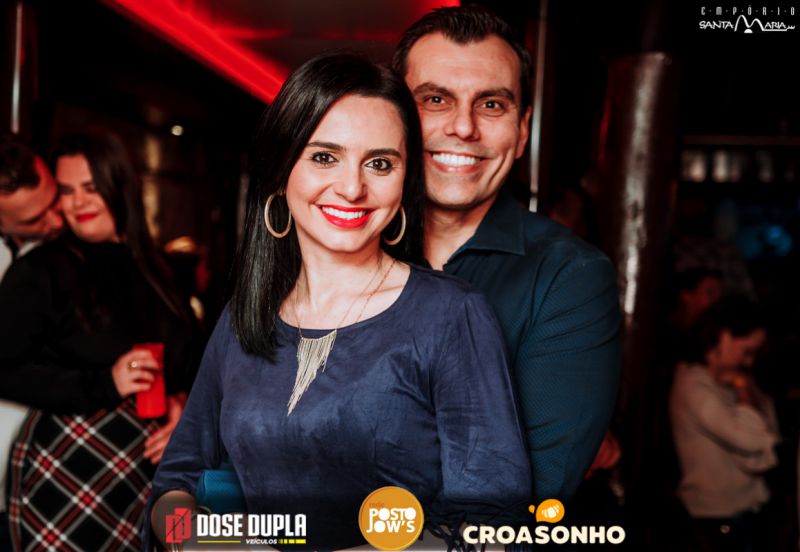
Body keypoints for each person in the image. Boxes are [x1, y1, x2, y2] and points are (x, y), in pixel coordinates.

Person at [148, 53, 531, 551]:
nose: (353, 188)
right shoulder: (246, 315)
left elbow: (491, 526)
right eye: (324, 157)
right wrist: (207, 543)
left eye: (380, 163)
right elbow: (176, 480)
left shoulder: (450, 314)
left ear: (405, 181)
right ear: (281, 168)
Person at [393, 5, 621, 503]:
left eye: (492, 105)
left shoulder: (570, 276)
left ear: (521, 131)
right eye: (435, 100)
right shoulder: (343, 249)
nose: (464, 127)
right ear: (392, 116)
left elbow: (525, 496)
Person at [0, 131, 199, 551]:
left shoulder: (160, 271)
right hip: (67, 468)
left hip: (148, 472)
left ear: (119, 184)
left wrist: (181, 404)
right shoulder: (41, 269)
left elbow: (194, 364)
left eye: (91, 187)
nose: (77, 203)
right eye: (66, 190)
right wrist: (104, 382)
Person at [670, 296, 779, 552]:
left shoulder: (727, 377)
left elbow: (770, 429)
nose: (749, 362)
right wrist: (743, 389)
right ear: (725, 336)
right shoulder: (694, 385)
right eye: (748, 351)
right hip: (718, 517)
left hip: (744, 509)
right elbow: (751, 439)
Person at [0, 133, 65, 550]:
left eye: (54, 201)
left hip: (45, 484)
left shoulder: (62, 253)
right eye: (33, 220)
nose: (55, 221)